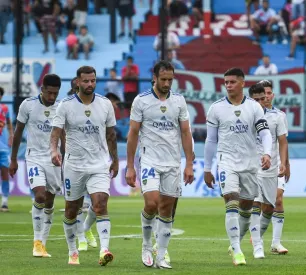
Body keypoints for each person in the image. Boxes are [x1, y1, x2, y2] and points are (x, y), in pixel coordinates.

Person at [125, 61, 194, 269]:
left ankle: (161, 254)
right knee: (152, 203)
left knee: (166, 209)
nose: (167, 83)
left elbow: (185, 132)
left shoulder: (179, 101)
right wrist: (130, 166)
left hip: (172, 162)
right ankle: (146, 245)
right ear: (154, 78)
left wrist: (189, 163)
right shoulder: (141, 101)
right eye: (163, 79)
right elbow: (133, 133)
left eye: (170, 80)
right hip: (149, 160)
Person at [204, 68, 273, 266]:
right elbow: (210, 140)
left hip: (250, 163)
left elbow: (265, 133)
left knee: (246, 207)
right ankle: (236, 249)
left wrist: (267, 153)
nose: (228, 85)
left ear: (242, 83)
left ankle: (238, 242)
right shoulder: (216, 108)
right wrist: (207, 168)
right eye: (226, 82)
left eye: (232, 82)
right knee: (231, 201)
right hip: (226, 161)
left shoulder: (254, 107)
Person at [50, 66, 118, 266]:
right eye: (86, 81)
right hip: (74, 166)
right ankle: (73, 251)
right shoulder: (65, 105)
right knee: (71, 210)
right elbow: (55, 132)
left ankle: (104, 249)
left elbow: (111, 135)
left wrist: (115, 159)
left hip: (99, 164)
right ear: (77, 82)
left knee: (100, 205)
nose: (90, 84)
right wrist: (54, 151)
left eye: (93, 81)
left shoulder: (105, 104)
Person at [8, 74, 61, 258]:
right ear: (42, 89)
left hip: (55, 160)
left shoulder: (61, 108)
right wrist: (14, 159)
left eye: (55, 93)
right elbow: (18, 131)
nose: (52, 97)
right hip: (34, 157)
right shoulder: (28, 105)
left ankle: (43, 244)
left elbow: (64, 135)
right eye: (49, 93)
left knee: (50, 201)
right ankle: (37, 242)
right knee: (40, 195)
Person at [247, 83, 288, 259]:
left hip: (272, 165)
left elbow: (283, 142)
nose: (265, 99)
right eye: (260, 97)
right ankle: (258, 245)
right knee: (255, 203)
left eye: (266, 95)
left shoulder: (278, 116)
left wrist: (285, 163)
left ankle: (259, 238)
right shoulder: (246, 115)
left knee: (271, 206)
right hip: (252, 166)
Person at [0, 87, 13, 212]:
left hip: (3, 147)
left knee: (5, 174)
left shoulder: (4, 109)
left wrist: (11, 135)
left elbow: (9, 123)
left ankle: (4, 202)